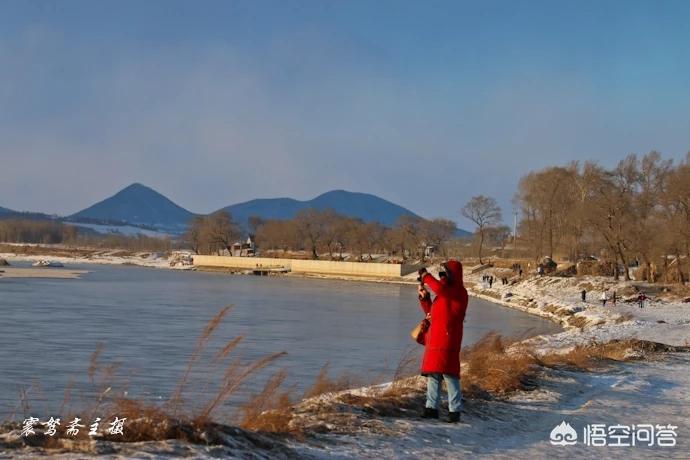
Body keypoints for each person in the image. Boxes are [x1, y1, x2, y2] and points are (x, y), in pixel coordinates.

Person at [416, 261, 469, 423]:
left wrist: (426, 276)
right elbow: (432, 313)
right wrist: (424, 298)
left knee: (449, 374)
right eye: (441, 274)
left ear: (453, 275)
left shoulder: (459, 292)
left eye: (445, 273)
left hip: (448, 339)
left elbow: (439, 288)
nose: (442, 276)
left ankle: (455, 410)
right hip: (436, 338)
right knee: (433, 374)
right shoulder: (445, 294)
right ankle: (431, 408)